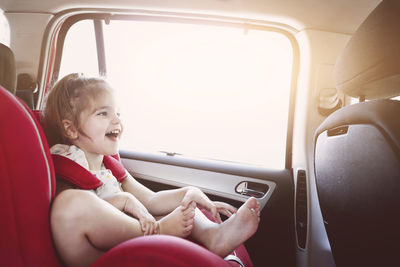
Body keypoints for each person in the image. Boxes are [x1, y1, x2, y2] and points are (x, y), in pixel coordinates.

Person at [43, 73, 260, 266]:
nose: (117, 120)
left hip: (127, 240)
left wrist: (186, 193)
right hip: (95, 255)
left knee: (183, 206)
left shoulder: (108, 164)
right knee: (71, 203)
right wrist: (126, 202)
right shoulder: (67, 159)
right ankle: (159, 230)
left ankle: (213, 235)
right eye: (103, 113)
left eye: (118, 113)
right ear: (70, 129)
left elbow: (151, 200)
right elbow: (85, 213)